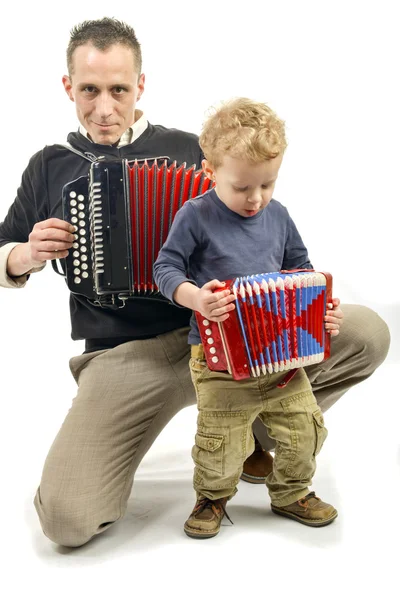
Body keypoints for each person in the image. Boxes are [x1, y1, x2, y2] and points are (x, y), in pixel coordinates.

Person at [0, 18, 390, 548]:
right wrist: (23, 254)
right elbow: (3, 251)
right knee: (67, 521)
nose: (106, 107)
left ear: (141, 85)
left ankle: (255, 428)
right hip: (122, 358)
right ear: (68, 87)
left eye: (119, 89)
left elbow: (265, 243)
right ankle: (226, 427)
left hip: (223, 339)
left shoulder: (197, 154)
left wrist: (302, 304)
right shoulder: (48, 166)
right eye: (89, 91)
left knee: (365, 332)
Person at [154, 98, 341, 537]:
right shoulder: (195, 215)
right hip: (218, 358)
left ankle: (292, 491)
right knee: (220, 437)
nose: (256, 198)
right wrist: (196, 299)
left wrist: (322, 314)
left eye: (268, 185)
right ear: (209, 172)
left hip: (278, 355)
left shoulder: (278, 216)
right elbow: (165, 269)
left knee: (304, 428)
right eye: (241, 187)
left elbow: (302, 272)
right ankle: (213, 497)